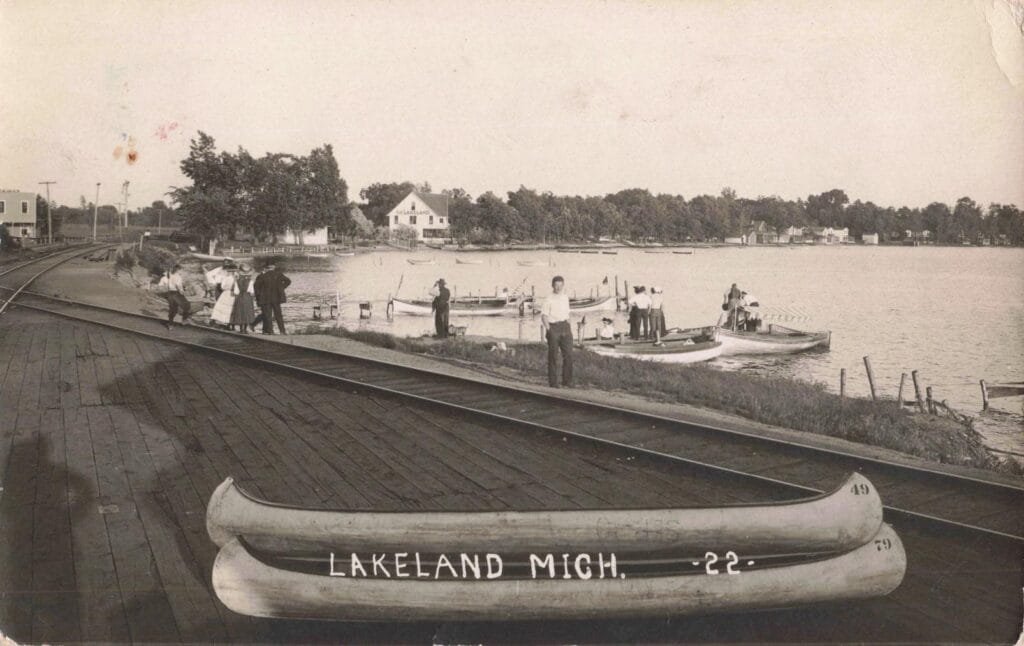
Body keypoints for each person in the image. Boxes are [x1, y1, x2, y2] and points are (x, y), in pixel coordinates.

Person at [540, 275, 573, 388]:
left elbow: (568, 314)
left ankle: (567, 381)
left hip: (565, 327)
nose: (558, 287)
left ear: (563, 286)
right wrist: (549, 329)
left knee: (568, 355)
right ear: (552, 286)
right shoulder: (548, 299)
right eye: (556, 285)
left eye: (560, 285)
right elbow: (544, 316)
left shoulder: (565, 297)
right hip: (553, 328)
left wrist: (569, 326)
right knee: (553, 356)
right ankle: (553, 383)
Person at [260, 262, 291, 334]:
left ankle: (271, 331)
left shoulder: (264, 276)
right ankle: (282, 331)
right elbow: (288, 281)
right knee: (278, 315)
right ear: (274, 267)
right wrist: (282, 288)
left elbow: (258, 287)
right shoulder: (279, 274)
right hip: (277, 298)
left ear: (268, 268)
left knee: (268, 315)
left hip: (266, 298)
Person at [160, 265, 192, 330]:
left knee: (173, 309)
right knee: (187, 305)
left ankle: (170, 324)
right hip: (176, 293)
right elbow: (178, 286)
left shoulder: (167, 276)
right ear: (178, 270)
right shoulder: (178, 277)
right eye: (181, 270)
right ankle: (184, 320)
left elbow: (162, 285)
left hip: (169, 293)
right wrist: (182, 292)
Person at [230, 263, 257, 334]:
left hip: (239, 297)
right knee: (247, 312)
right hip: (247, 297)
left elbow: (235, 291)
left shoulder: (237, 280)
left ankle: (241, 329)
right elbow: (251, 291)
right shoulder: (250, 281)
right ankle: (245, 329)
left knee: (240, 312)